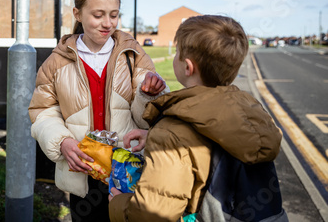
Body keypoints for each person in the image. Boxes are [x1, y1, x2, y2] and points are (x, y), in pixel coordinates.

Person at [108, 15, 285, 222]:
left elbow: (154, 215)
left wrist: (119, 205)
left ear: (188, 67)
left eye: (178, 52)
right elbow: (214, 145)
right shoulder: (249, 110)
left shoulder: (172, 133)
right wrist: (153, 135)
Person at [28, 0, 169, 222]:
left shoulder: (133, 55)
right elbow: (43, 111)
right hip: (83, 170)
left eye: (113, 15)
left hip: (128, 169)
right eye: (98, 15)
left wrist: (150, 94)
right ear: (78, 14)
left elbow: (146, 116)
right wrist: (62, 142)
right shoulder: (56, 62)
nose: (107, 23)